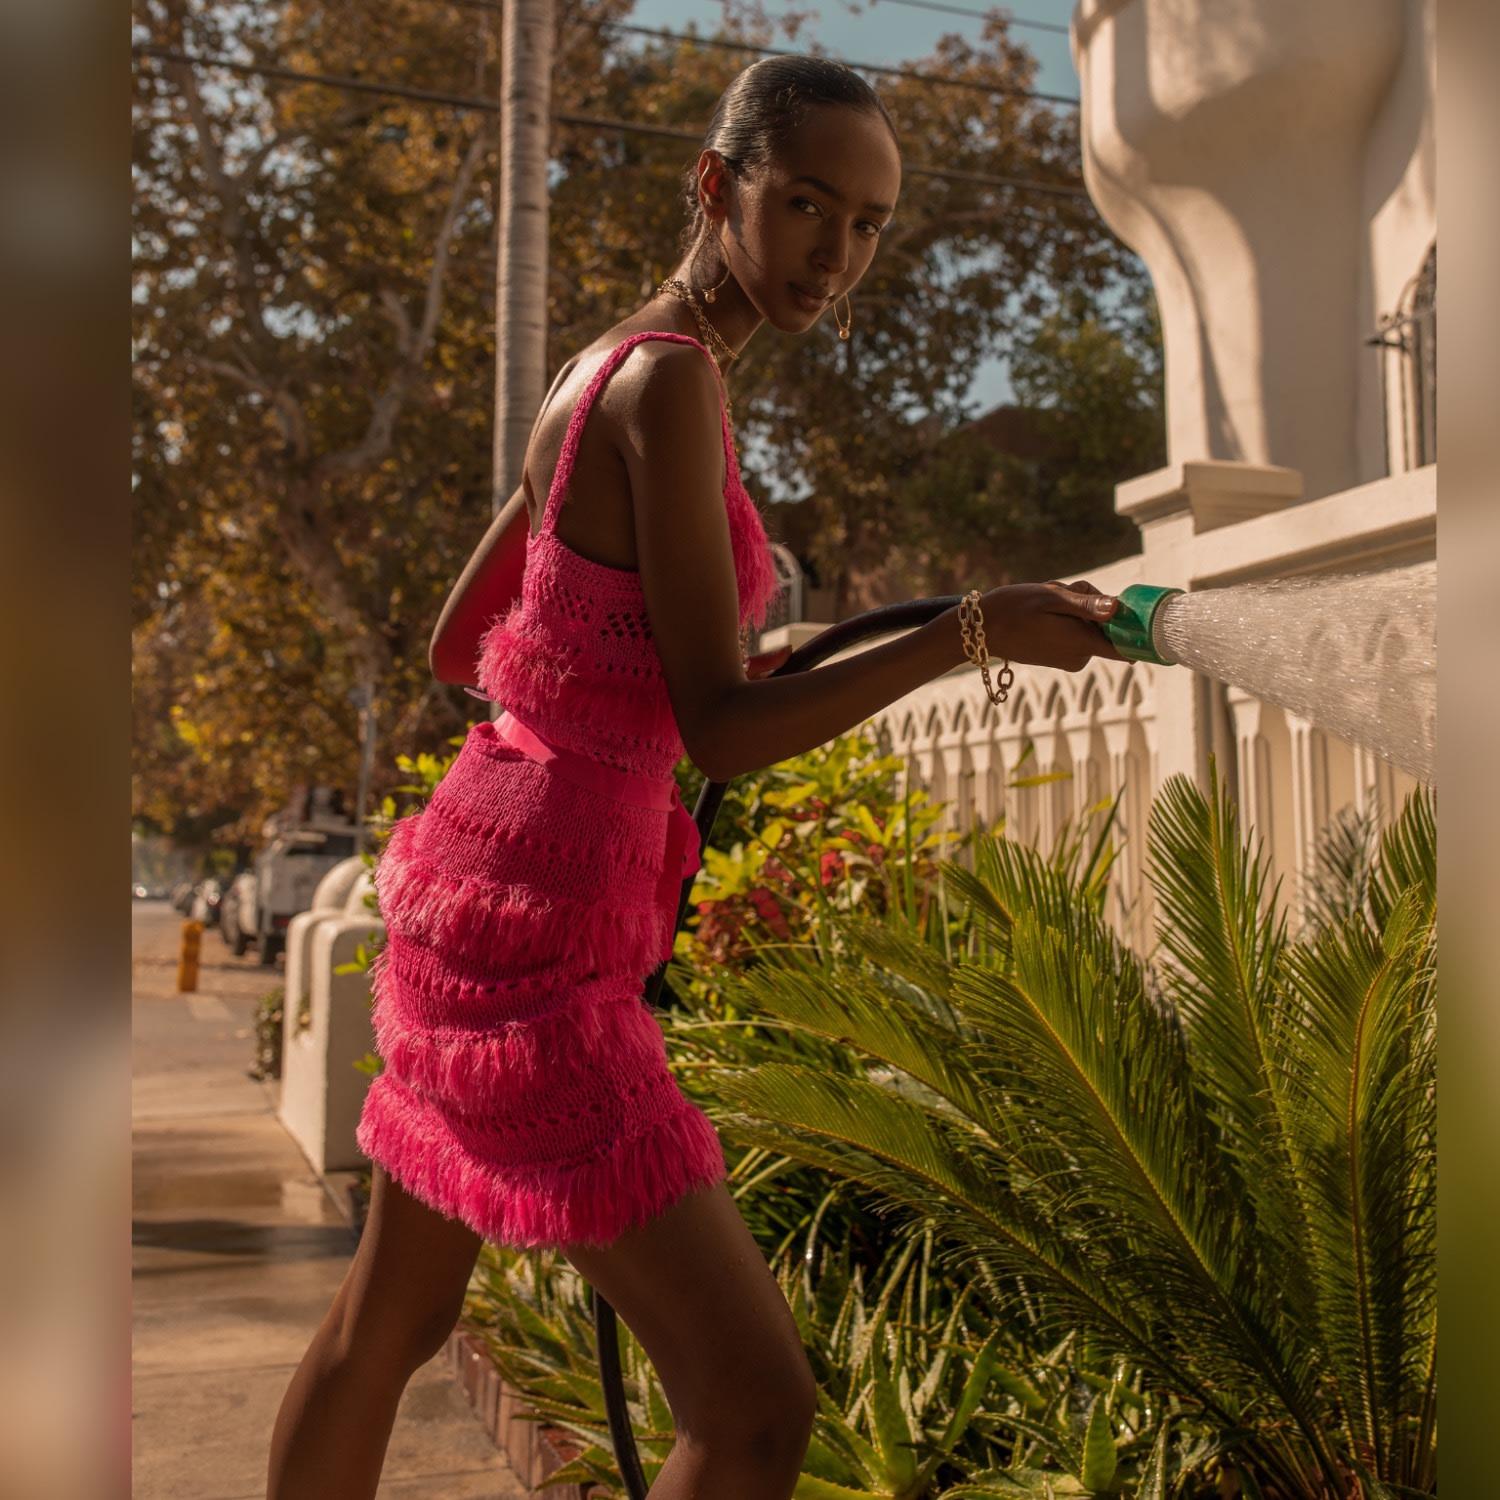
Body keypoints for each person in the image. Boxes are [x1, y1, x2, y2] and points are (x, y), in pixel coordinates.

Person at [268, 54, 1126, 1500]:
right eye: (803, 204)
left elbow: (462, 639)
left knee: (388, 1321)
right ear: (714, 187)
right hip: (538, 945)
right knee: (755, 1412)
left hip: (469, 889)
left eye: (864, 225)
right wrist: (962, 633)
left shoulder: (599, 363)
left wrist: (642, 683)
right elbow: (719, 729)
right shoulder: (671, 390)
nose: (833, 253)